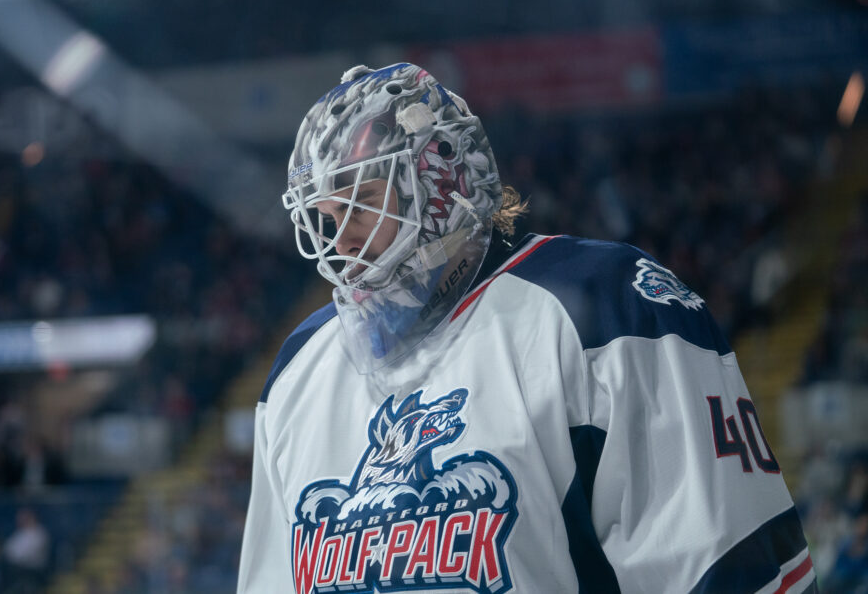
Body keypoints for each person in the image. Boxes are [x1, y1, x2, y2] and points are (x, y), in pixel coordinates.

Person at [238, 63, 816, 593]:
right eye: (326, 217)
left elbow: (729, 569)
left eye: (361, 203)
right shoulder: (299, 369)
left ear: (440, 180)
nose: (340, 244)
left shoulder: (606, 310)